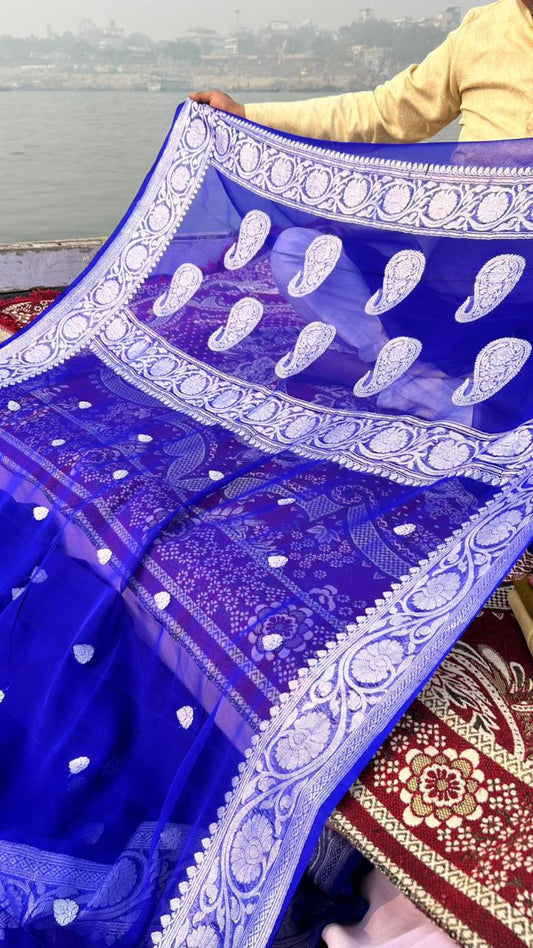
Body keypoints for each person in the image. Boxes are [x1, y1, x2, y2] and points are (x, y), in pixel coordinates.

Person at [190, 0, 533, 144]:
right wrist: (245, 115)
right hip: (468, 239)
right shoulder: (481, 31)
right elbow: (382, 115)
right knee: (298, 251)